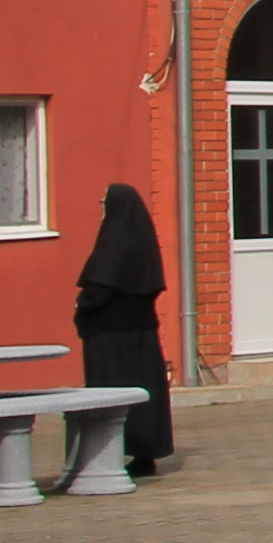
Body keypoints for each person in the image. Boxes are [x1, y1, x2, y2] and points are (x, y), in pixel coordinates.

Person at [71, 183, 177, 477]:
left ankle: (109, 451)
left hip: (112, 336)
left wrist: (84, 303)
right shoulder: (140, 239)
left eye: (105, 202)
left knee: (111, 395)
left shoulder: (115, 240)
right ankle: (145, 453)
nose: (102, 207)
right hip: (141, 333)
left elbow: (102, 284)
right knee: (143, 394)